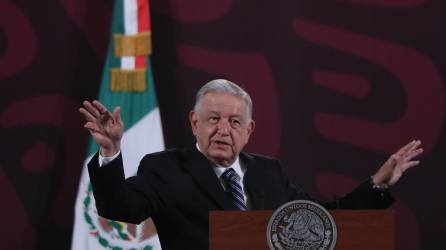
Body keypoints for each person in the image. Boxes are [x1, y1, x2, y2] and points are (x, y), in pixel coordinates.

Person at [79, 79, 423, 250]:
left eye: (234, 122)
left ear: (249, 131)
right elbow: (119, 206)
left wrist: (378, 183)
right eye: (213, 119)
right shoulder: (164, 168)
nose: (223, 130)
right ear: (194, 122)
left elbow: (321, 220)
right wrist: (111, 151)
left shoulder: (268, 172)